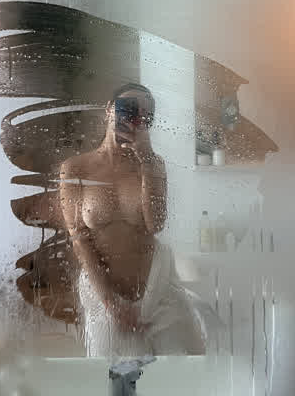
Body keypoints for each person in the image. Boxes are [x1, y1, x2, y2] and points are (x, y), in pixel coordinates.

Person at [59, 83, 207, 357]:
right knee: (113, 375)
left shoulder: (153, 164)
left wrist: (146, 159)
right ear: (109, 109)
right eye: (127, 108)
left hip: (157, 290)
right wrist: (110, 303)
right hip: (103, 293)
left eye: (144, 115)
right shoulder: (75, 169)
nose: (134, 117)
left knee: (180, 369)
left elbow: (155, 224)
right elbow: (79, 239)